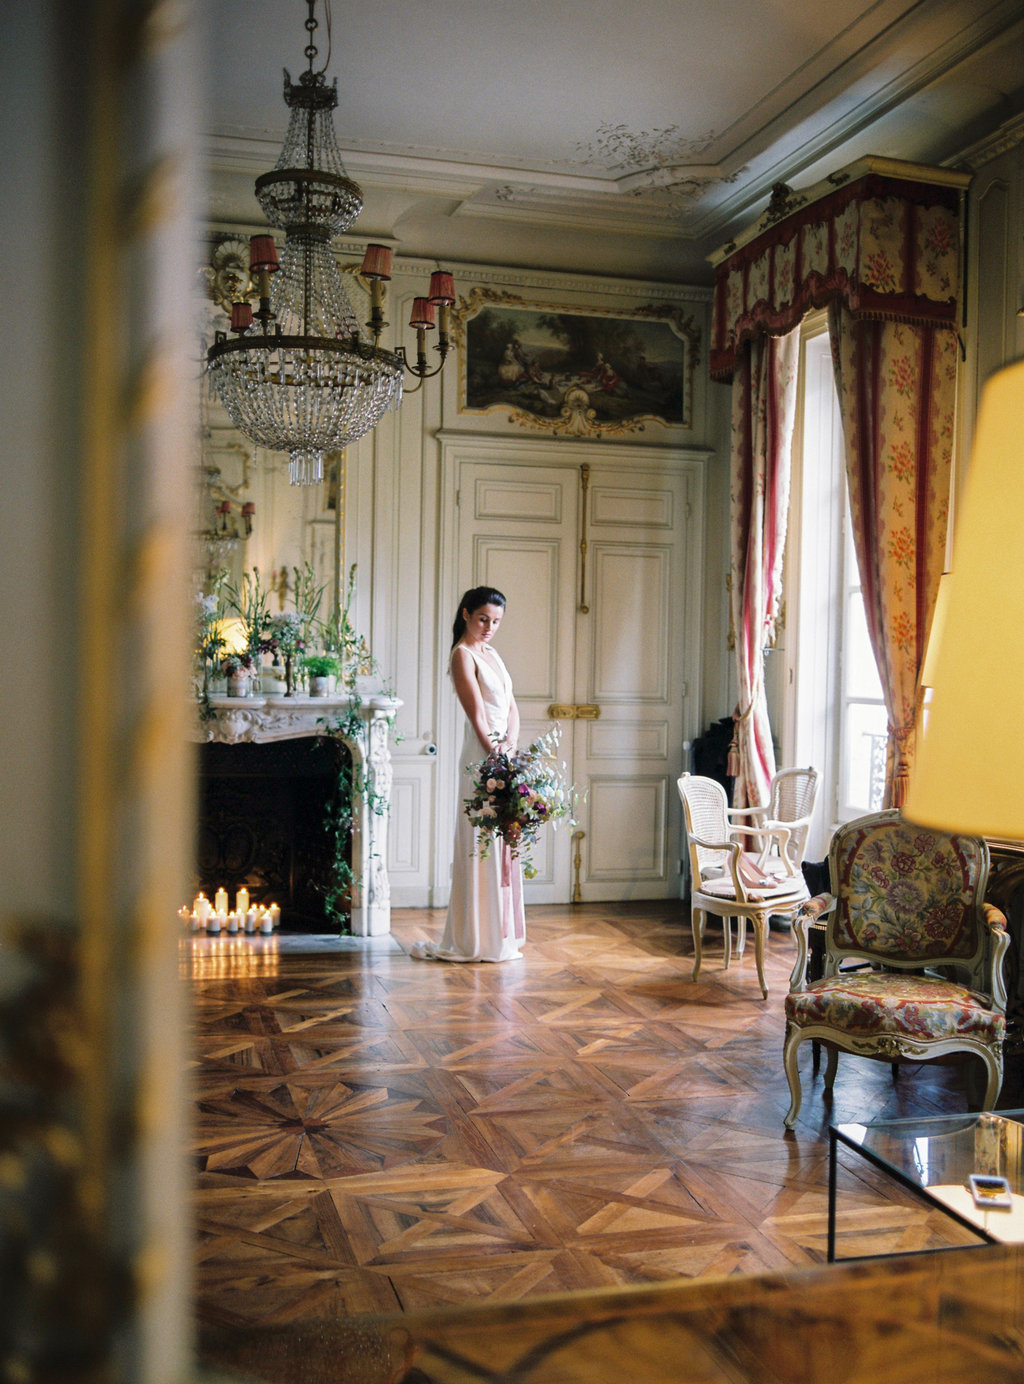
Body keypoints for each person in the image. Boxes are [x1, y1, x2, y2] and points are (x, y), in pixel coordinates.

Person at [411, 586, 526, 962]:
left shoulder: (491, 653)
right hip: (481, 756)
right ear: (465, 614)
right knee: (481, 840)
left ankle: (499, 933)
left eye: (495, 622)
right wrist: (494, 753)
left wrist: (510, 743)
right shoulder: (462, 654)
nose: (489, 627)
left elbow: (510, 705)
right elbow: (476, 713)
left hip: (503, 753)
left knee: (504, 840)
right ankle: (475, 936)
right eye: (483, 619)